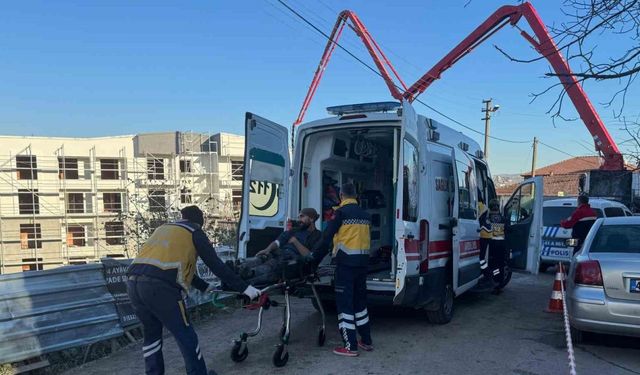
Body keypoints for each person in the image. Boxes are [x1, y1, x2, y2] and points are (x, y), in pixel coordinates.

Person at [126, 205, 261, 375]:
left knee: (152, 336)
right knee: (185, 334)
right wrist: (245, 288)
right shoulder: (194, 231)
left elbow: (169, 268)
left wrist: (205, 287)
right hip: (161, 289)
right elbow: (215, 264)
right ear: (199, 223)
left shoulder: (163, 229)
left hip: (133, 284)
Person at [311, 183, 373, 357]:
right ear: (355, 195)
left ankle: (350, 346)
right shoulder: (365, 215)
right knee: (360, 305)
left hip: (345, 266)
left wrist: (313, 256)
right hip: (362, 265)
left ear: (341, 195)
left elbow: (326, 238)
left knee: (345, 306)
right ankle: (366, 341)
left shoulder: (341, 214)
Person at [237, 208, 322, 285]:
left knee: (271, 266)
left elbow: (310, 256)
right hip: (280, 254)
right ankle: (238, 267)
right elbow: (278, 242)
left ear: (311, 219)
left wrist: (295, 242)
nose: (299, 220)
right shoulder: (295, 230)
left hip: (293, 262)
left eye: (302, 217)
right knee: (261, 258)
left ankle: (251, 273)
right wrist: (267, 249)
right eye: (299, 217)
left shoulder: (317, 236)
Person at [480, 199, 507, 294]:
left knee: (492, 265)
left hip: (492, 245)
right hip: (502, 245)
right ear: (498, 207)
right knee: (500, 265)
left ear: (490, 207)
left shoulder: (487, 219)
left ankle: (493, 281)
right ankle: (499, 284)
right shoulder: (503, 218)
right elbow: (508, 231)